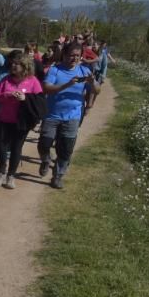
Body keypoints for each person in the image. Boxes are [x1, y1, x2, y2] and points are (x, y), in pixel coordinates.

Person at [39, 42, 100, 189]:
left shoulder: (85, 71)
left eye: (78, 56)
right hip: (52, 114)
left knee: (66, 148)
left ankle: (58, 176)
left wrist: (92, 83)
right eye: (71, 55)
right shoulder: (55, 70)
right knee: (44, 144)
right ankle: (46, 160)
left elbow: (97, 91)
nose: (74, 58)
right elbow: (46, 88)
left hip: (72, 115)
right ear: (64, 55)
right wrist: (67, 85)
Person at [0, 50, 43, 189]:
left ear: (25, 66)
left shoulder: (33, 81)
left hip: (21, 121)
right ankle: (1, 173)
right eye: (12, 63)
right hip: (3, 119)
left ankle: (11, 176)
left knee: (16, 148)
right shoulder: (6, 79)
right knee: (0, 148)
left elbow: (40, 101)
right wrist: (8, 95)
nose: (13, 66)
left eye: (17, 64)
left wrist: (25, 98)